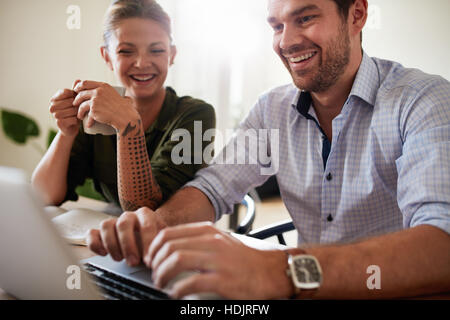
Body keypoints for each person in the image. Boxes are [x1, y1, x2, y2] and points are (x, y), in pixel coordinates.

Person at [87, 0, 450, 299]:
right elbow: (213, 188)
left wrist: (283, 269)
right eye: (276, 26)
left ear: (356, 14)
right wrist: (152, 229)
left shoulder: (423, 100)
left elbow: (441, 247)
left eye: (305, 18)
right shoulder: (272, 109)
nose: (286, 41)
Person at [31, 0, 215, 211]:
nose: (142, 63)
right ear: (107, 56)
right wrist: (66, 133)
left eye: (156, 51)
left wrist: (127, 126)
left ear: (172, 55)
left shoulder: (196, 114)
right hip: (111, 232)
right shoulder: (95, 112)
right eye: (126, 51)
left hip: (171, 238)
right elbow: (43, 197)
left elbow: (145, 209)